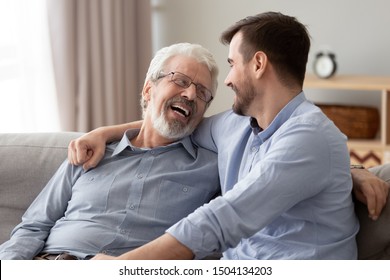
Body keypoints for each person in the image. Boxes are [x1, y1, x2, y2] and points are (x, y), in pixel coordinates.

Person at [69, 12, 389, 260]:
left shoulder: (309, 137)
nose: (227, 80)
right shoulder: (237, 125)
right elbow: (175, 124)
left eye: (233, 64)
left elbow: (223, 219)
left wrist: (123, 266)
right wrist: (104, 133)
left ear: (259, 64)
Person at [0, 43, 221, 260]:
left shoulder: (211, 167)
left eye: (202, 92)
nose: (191, 94)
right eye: (181, 80)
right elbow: (33, 226)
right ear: (148, 90)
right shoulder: (89, 151)